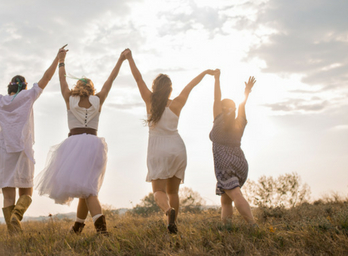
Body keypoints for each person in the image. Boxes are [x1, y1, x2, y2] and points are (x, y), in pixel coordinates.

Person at [0, 47, 64, 233]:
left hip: (3, 153)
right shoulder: (28, 96)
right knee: (27, 192)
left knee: (8, 197)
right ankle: (17, 215)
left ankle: (14, 234)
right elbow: (46, 78)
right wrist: (58, 59)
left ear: (9, 86)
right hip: (22, 151)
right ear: (24, 86)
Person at [35, 47, 125, 235]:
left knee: (89, 191)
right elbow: (111, 79)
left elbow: (61, 79)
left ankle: (102, 231)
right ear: (92, 88)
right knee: (87, 188)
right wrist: (120, 60)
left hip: (74, 144)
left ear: (77, 87)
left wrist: (61, 60)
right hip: (94, 146)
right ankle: (77, 227)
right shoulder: (99, 99)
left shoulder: (69, 98)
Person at [123, 48, 213, 234]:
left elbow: (138, 78)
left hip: (158, 148)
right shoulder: (178, 102)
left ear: (155, 87)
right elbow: (190, 86)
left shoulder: (149, 100)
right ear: (170, 89)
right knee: (173, 192)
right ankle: (172, 226)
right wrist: (205, 73)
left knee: (159, 191)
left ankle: (167, 211)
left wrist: (129, 58)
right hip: (177, 147)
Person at [210, 69, 257, 225]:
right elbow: (242, 105)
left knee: (235, 195)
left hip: (225, 165)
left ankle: (253, 225)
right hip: (240, 164)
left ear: (221, 110)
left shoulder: (219, 122)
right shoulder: (239, 123)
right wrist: (246, 92)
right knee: (226, 200)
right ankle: (227, 229)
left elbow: (216, 98)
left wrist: (217, 78)